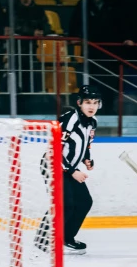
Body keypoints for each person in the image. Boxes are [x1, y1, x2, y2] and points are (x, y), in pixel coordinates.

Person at [36, 85, 100, 255]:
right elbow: (54, 149)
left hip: (68, 168)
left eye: (95, 102)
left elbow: (85, 145)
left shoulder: (93, 122)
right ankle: (43, 240)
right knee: (65, 204)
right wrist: (72, 171)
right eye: (88, 102)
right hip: (52, 165)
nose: (92, 106)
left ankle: (66, 238)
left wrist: (87, 159)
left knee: (84, 202)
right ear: (79, 103)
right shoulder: (70, 119)